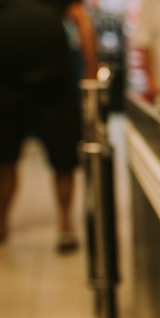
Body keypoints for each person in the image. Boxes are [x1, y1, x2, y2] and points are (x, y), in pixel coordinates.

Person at [0, 0, 98, 252]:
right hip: (7, 87)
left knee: (64, 161)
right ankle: (2, 224)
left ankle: (65, 225)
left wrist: (91, 71)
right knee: (4, 161)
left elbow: (82, 20)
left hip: (54, 88)